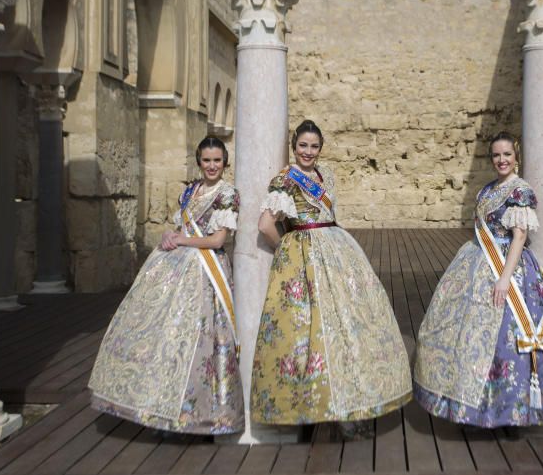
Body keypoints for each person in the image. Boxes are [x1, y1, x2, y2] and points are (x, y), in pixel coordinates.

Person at [251, 120, 411, 425]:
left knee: (348, 325)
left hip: (338, 251)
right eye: (303, 146)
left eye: (314, 146)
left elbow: (330, 214)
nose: (308, 152)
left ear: (320, 148)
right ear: (294, 145)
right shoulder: (285, 180)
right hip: (306, 253)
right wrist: (286, 246)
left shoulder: (327, 175)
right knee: (310, 331)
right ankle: (312, 406)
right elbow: (265, 224)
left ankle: (350, 402)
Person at [413, 132, 543, 427]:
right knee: (469, 338)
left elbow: (520, 237)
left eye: (507, 154)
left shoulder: (520, 192)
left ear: (516, 156)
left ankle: (512, 415)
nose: (502, 160)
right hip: (477, 263)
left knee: (507, 342)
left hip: (510, 269)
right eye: (496, 155)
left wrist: (504, 280)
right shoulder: (487, 190)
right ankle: (479, 409)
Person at [89, 136, 243, 435]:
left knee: (201, 340)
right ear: (199, 161)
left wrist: (182, 239)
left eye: (217, 161)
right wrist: (169, 236)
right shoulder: (189, 191)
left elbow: (217, 240)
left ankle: (201, 414)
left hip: (206, 272)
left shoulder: (227, 194)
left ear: (225, 163)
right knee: (167, 336)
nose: (212, 166)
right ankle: (159, 404)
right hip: (177, 270)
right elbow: (181, 228)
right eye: (206, 160)